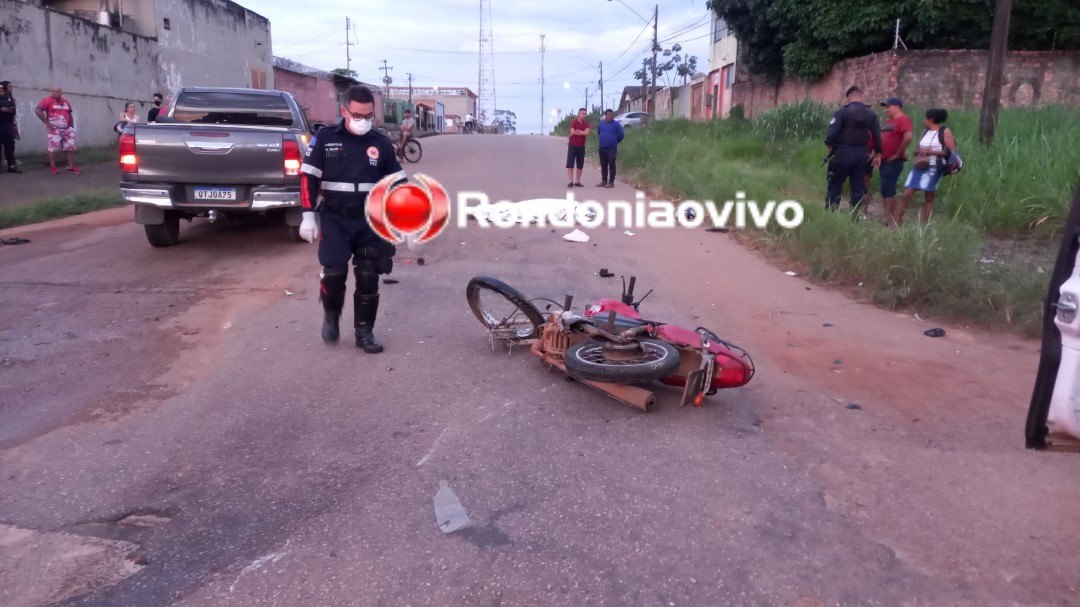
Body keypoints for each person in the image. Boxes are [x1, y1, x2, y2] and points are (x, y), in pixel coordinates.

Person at [298, 85, 406, 353]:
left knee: (369, 275)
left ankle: (364, 332)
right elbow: (308, 178)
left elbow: (397, 184)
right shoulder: (325, 137)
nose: (363, 121)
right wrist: (307, 215)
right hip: (335, 218)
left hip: (370, 220)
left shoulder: (380, 143)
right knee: (334, 273)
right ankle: (331, 317)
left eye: (369, 116)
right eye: (357, 115)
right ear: (344, 111)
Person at [824, 86, 881, 213]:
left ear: (848, 99)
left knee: (835, 185)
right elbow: (877, 136)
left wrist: (830, 145)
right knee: (857, 188)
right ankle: (854, 217)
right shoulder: (871, 114)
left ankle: (830, 214)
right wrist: (878, 153)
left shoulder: (842, 112)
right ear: (861, 97)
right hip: (861, 155)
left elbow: (831, 135)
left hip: (842, 153)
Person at [895, 108, 957, 225]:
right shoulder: (925, 132)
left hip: (934, 168)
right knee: (906, 194)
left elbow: (951, 151)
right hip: (920, 165)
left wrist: (931, 152)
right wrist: (918, 152)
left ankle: (924, 225)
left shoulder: (944, 132)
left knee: (929, 196)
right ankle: (896, 221)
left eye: (925, 118)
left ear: (931, 119)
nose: (923, 121)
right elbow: (918, 149)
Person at [877, 97, 914, 226]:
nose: (886, 109)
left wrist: (898, 153)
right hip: (884, 160)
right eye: (885, 107)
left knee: (888, 189)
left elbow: (908, 136)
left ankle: (888, 218)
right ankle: (889, 216)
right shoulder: (890, 121)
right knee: (885, 188)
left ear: (897, 106)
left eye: (888, 106)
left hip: (892, 161)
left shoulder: (903, 119)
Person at [34, 87, 79, 175]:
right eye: (53, 91)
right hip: (54, 129)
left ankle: (71, 166)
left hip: (67, 129)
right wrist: (47, 123)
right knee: (52, 148)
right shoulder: (46, 101)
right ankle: (53, 167)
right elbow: (37, 110)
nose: (55, 93)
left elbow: (69, 114)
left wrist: (72, 127)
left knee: (69, 148)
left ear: (61, 92)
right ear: (51, 92)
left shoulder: (65, 102)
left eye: (58, 91)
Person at [595, 109, 624, 188]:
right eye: (608, 115)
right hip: (602, 147)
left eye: (611, 115)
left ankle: (611, 182)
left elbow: (621, 135)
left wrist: (615, 141)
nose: (610, 116)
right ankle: (604, 181)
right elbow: (599, 133)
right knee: (603, 164)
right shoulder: (601, 124)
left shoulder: (616, 124)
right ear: (605, 115)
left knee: (611, 164)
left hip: (612, 148)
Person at [566, 108, 589, 188]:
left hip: (581, 146)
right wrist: (582, 133)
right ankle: (571, 181)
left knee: (580, 165)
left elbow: (587, 132)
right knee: (570, 164)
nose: (584, 115)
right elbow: (572, 131)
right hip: (572, 145)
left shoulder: (586, 124)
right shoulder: (574, 122)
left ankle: (577, 182)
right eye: (583, 113)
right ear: (579, 114)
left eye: (585, 114)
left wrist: (579, 132)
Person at [0, 81, 20, 173]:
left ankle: (11, 166)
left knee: (10, 145)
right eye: (10, 86)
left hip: (8, 125)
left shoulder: (11, 99)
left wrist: (7, 110)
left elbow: (13, 112)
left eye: (12, 86)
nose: (12, 88)